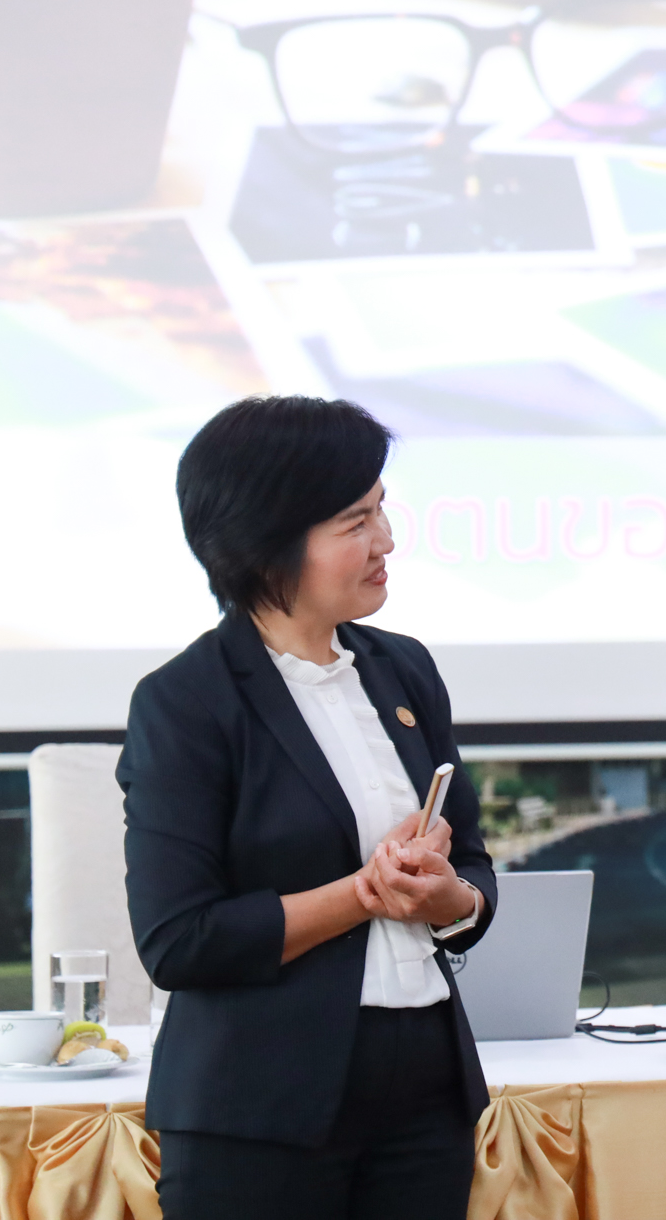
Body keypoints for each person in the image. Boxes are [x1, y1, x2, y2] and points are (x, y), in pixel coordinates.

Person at [119, 396, 496, 1220]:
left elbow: (470, 862)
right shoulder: (186, 702)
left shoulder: (404, 669)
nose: (386, 540)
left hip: (425, 1094)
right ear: (267, 543)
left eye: (382, 509)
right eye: (356, 520)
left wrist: (450, 898)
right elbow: (179, 939)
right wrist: (363, 894)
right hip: (259, 1108)